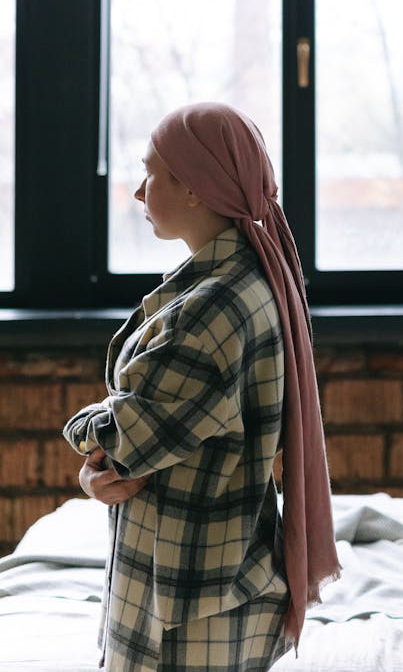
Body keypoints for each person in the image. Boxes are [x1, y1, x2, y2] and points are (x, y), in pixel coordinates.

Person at [63, 102, 340, 672]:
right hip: (211, 576)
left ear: (195, 190)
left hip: (189, 593)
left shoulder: (213, 307)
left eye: (152, 174)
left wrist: (84, 436)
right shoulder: (242, 277)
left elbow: (132, 436)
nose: (140, 193)